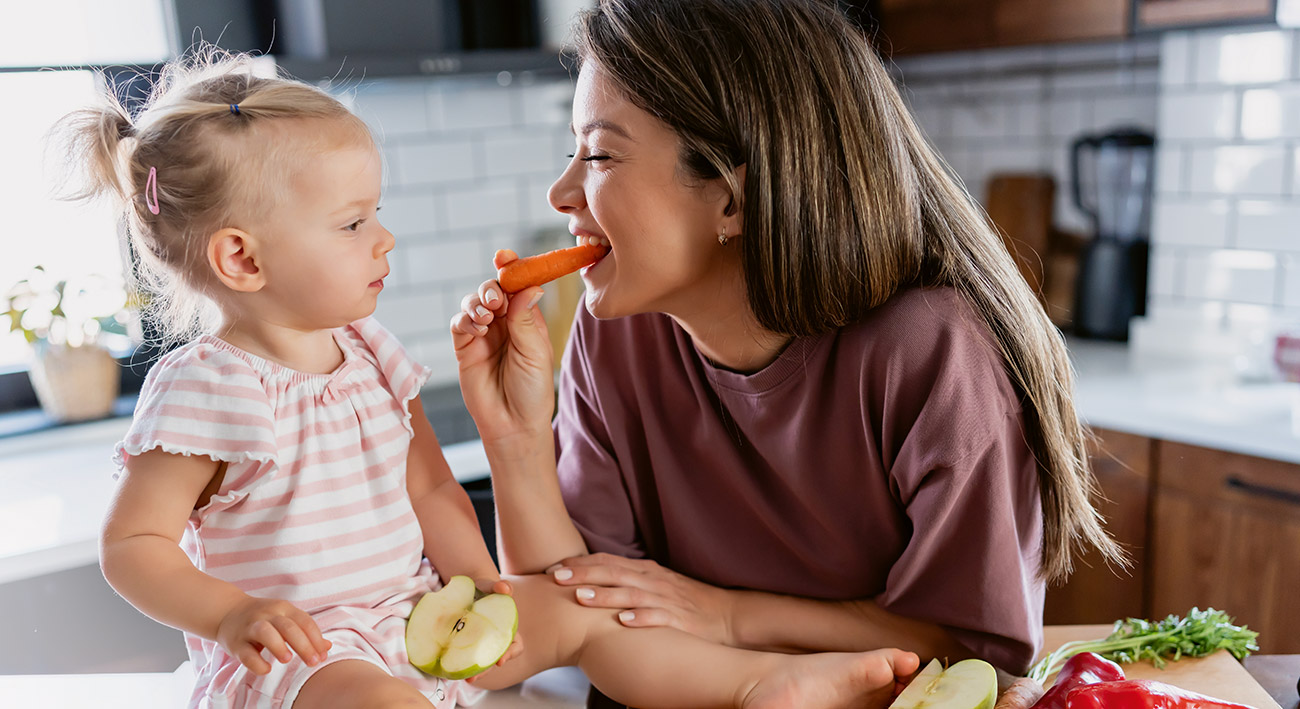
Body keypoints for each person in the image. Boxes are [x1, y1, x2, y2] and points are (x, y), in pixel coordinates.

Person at [71, 49, 918, 709]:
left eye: (380, 213)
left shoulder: (367, 351)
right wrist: (227, 614)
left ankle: (756, 686)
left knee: (588, 613)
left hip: (411, 620)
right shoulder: (207, 387)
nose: (384, 240)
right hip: (302, 663)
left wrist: (480, 585)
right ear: (242, 258)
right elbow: (131, 546)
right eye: (354, 222)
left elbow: (435, 488)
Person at [451, 1, 1125, 705]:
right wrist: (515, 435)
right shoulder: (615, 327)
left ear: (733, 198)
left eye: (599, 154)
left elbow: (974, 650)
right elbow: (569, 606)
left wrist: (725, 613)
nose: (563, 193)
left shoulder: (932, 352)